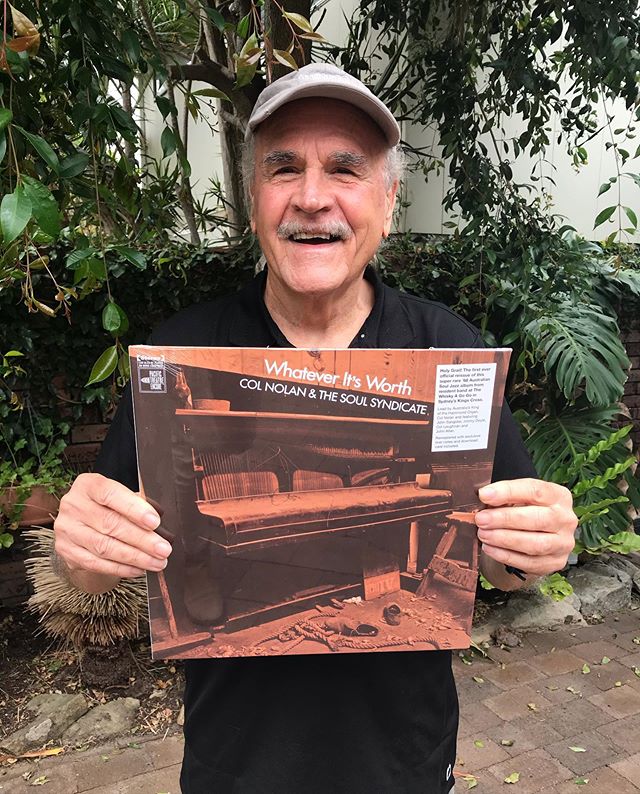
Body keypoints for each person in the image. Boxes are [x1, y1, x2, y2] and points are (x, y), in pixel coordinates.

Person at [53, 63, 577, 793]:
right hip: (235, 767)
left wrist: (534, 547)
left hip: (404, 765)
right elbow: (94, 568)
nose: (311, 197)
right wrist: (81, 549)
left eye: (345, 169)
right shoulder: (181, 359)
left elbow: (499, 562)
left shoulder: (445, 352)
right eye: (284, 167)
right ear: (254, 198)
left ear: (388, 202)